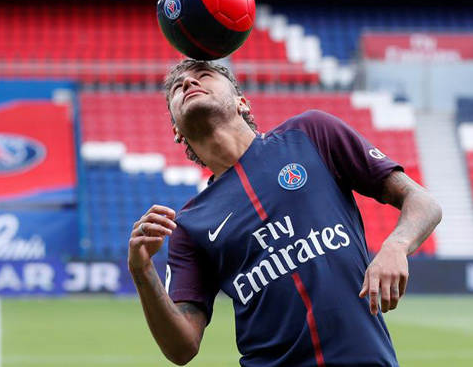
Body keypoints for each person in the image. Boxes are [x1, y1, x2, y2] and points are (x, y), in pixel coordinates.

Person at [127, 59, 442, 367]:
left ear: (242, 102)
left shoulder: (311, 133)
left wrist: (395, 246)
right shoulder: (189, 225)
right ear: (177, 131)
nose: (188, 83)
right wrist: (142, 270)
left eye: (204, 74)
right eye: (177, 89)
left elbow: (422, 202)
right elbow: (181, 348)